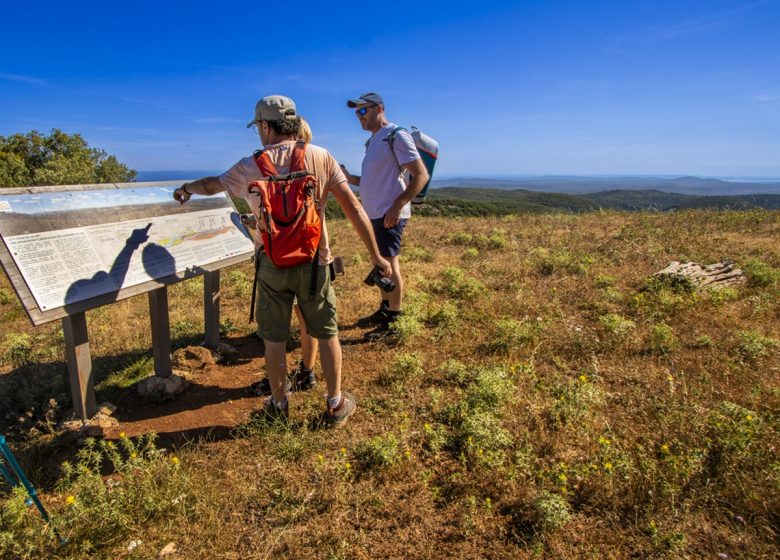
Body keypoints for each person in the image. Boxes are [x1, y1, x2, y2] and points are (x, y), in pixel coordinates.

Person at [174, 96, 391, 425]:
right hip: (316, 262)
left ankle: (278, 406)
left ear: (264, 126)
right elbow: (354, 208)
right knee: (327, 331)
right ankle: (335, 403)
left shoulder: (249, 166)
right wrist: (377, 255)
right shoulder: (320, 157)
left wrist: (187, 188)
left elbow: (211, 185)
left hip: (272, 263)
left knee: (274, 339)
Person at [340, 92, 429, 342]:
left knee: (391, 264)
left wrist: (397, 206)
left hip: (389, 214)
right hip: (375, 213)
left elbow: (421, 175)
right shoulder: (373, 142)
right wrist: (348, 178)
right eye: (356, 112)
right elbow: (370, 181)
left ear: (379, 108)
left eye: (362, 111)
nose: (359, 117)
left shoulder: (396, 135)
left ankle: (394, 323)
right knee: (382, 265)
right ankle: (385, 310)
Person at [249, 116, 320, 396]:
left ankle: (278, 391)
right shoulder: (317, 160)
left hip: (276, 255)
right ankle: (308, 372)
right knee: (307, 318)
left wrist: (186, 190)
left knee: (275, 332)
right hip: (312, 252)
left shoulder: (264, 163)